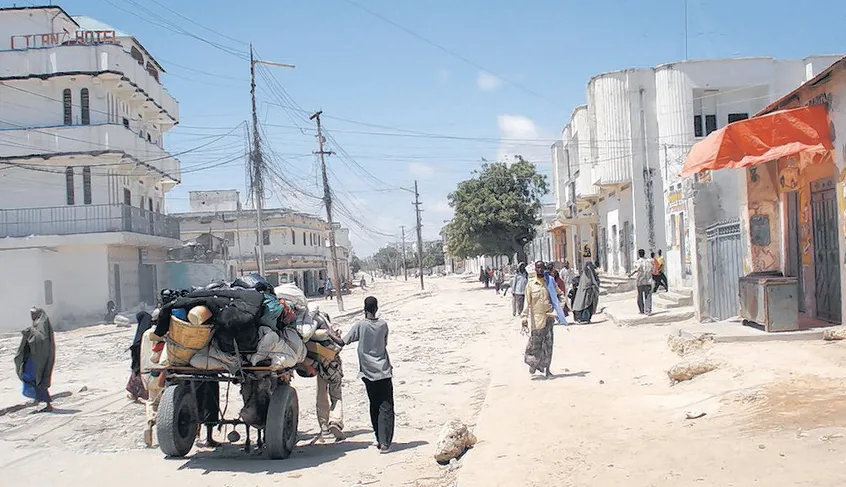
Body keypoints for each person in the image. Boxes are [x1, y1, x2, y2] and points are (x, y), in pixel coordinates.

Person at [343, 296, 394, 453]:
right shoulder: (383, 325)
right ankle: (385, 442)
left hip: (367, 373)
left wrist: (329, 332)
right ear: (376, 308)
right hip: (383, 371)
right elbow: (384, 344)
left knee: (374, 405)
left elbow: (342, 341)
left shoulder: (360, 325)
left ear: (364, 309)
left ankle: (379, 439)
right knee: (386, 406)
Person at [520, 261, 563, 378]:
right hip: (536, 320)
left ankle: (548, 370)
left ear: (544, 269)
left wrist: (559, 310)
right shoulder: (530, 285)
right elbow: (526, 303)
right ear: (535, 269)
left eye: (541, 268)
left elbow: (560, 295)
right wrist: (524, 318)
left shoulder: (550, 283)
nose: (540, 270)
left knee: (548, 345)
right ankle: (533, 364)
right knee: (534, 345)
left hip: (549, 318)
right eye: (537, 268)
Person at [313, 307, 346, 442]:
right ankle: (335, 422)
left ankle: (324, 427)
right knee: (336, 396)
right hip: (334, 368)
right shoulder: (328, 332)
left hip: (321, 370)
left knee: (321, 397)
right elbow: (340, 344)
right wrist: (333, 334)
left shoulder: (314, 334)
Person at [14, 307, 56, 413]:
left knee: (36, 379)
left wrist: (30, 332)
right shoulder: (37, 324)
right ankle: (39, 399)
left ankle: (47, 403)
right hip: (33, 357)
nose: (31, 316)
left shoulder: (42, 324)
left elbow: (41, 339)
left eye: (33, 313)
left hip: (38, 359)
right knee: (30, 377)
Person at [126, 311, 153, 402]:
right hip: (144, 357)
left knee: (137, 375)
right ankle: (141, 394)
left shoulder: (142, 330)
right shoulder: (148, 330)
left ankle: (136, 394)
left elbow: (136, 345)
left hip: (139, 356)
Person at [629, 249, 655, 315]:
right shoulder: (649, 261)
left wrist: (630, 274)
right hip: (648, 281)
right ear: (644, 253)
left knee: (640, 297)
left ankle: (641, 310)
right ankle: (648, 310)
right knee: (648, 296)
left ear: (639, 254)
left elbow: (636, 269)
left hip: (640, 282)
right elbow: (652, 270)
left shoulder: (638, 262)